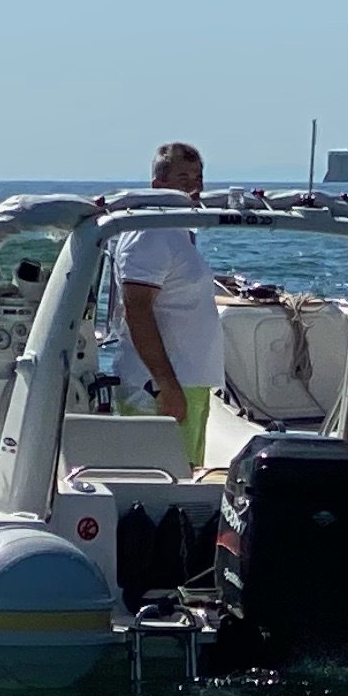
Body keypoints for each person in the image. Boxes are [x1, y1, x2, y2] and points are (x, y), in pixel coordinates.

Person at [109, 140, 226, 463]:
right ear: (157, 184)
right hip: (159, 387)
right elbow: (137, 310)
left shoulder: (175, 230)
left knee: (187, 475)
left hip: (188, 382)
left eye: (198, 178)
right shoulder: (149, 233)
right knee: (163, 478)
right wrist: (167, 384)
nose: (194, 187)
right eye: (183, 178)